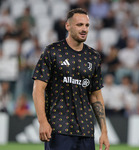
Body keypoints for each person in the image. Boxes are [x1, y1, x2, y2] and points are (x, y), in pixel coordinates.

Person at [32, 8, 110, 150]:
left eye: (87, 25)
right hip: (58, 129)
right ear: (68, 26)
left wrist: (104, 131)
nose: (84, 29)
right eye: (79, 25)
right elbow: (38, 88)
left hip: (86, 131)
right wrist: (42, 121)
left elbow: (96, 96)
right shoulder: (52, 51)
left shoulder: (94, 57)